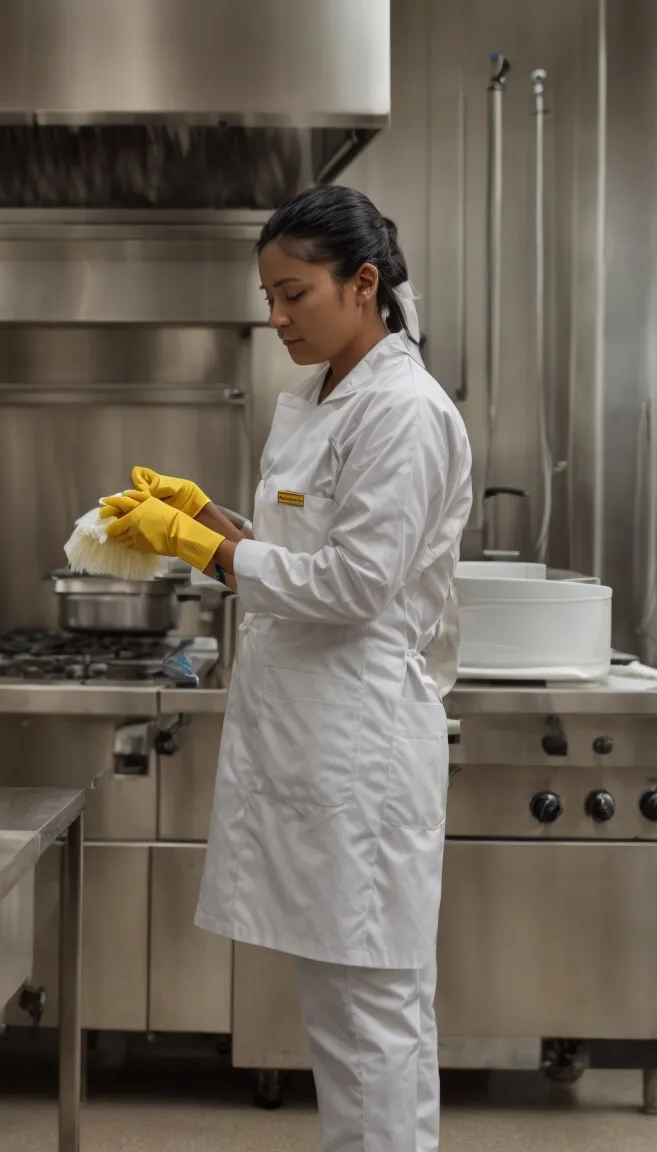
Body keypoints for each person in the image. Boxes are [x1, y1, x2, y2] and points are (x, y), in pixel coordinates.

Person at [102, 184, 473, 1151]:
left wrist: (206, 550)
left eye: (293, 293)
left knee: (374, 1017)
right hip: (315, 743)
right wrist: (215, 523)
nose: (275, 319)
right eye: (267, 295)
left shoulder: (405, 411)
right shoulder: (317, 397)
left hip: (364, 750)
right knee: (340, 1013)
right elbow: (300, 552)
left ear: (363, 284)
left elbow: (354, 585)